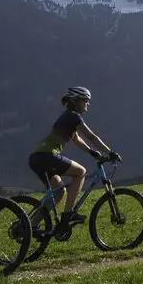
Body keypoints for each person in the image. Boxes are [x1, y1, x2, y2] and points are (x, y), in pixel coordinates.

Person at [27, 85, 120, 238]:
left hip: (37, 157)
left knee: (58, 193)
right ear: (77, 102)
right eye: (86, 101)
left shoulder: (67, 116)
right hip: (48, 155)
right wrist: (110, 152)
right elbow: (91, 137)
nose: (88, 104)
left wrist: (91, 152)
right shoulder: (74, 117)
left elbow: (77, 139)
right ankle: (68, 214)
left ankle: (31, 225)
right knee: (80, 172)